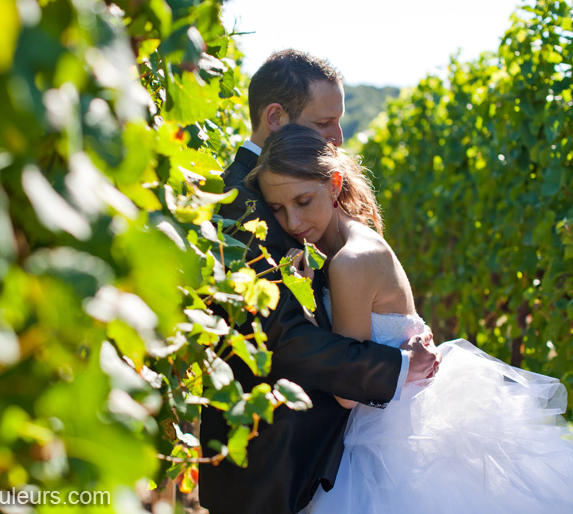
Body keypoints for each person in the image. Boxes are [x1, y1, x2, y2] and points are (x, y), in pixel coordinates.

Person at [247, 124, 573, 514]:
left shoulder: (350, 261)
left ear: (334, 185)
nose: (293, 222)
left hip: (389, 434)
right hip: (390, 413)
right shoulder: (334, 248)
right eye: (279, 209)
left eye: (303, 201)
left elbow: (347, 393)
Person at [198, 50, 440, 514]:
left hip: (315, 457)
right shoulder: (240, 203)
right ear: (276, 117)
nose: (338, 136)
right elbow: (283, 335)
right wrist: (396, 366)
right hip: (271, 460)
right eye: (325, 121)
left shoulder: (285, 193)